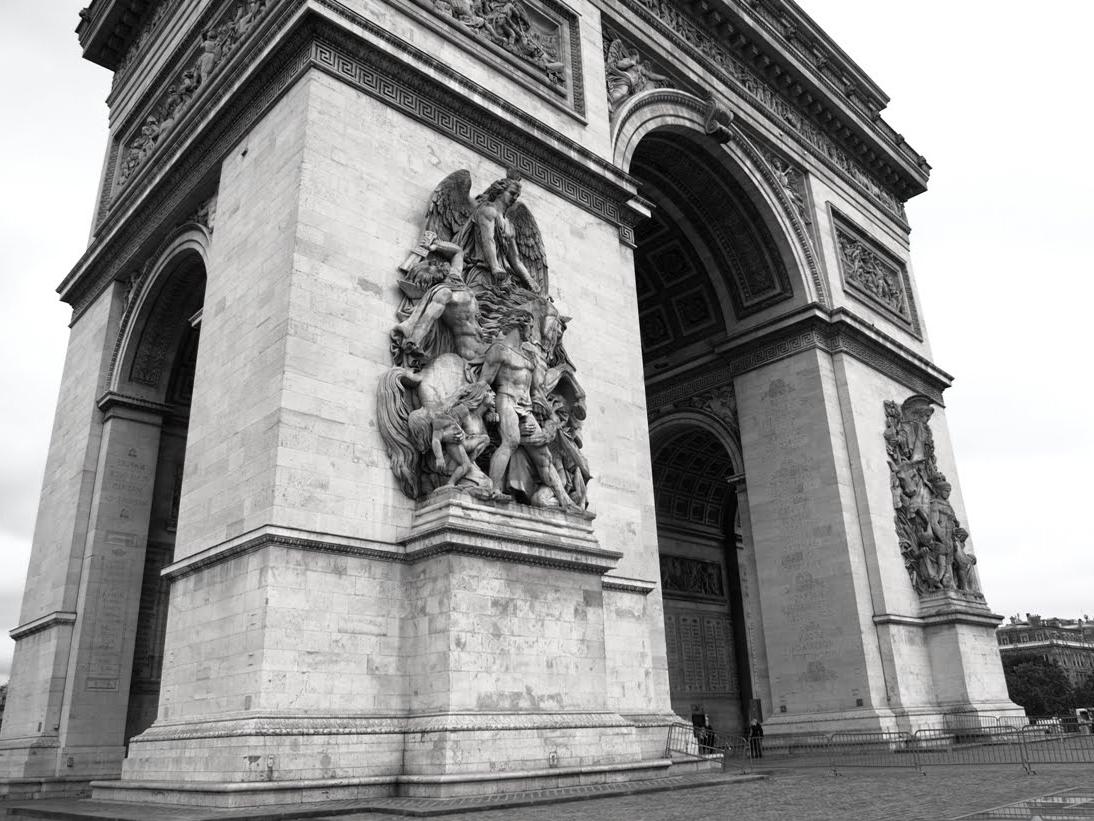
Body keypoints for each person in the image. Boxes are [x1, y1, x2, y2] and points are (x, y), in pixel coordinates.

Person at [479, 311, 576, 510]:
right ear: (520, 325)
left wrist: (551, 420)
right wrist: (488, 409)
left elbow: (537, 393)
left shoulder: (527, 356)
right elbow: (484, 382)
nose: (532, 332)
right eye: (530, 327)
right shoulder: (499, 350)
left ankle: (565, 500)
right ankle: (494, 490)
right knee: (511, 441)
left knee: (544, 456)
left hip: (526, 407)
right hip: (505, 399)